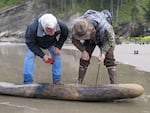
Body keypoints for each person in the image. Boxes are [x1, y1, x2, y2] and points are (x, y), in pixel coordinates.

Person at [72, 9, 117, 84]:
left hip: (105, 39)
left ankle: (114, 84)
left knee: (109, 59)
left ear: (91, 30)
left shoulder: (107, 28)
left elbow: (111, 41)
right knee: (84, 59)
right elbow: (74, 40)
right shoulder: (79, 26)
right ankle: (79, 82)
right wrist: (83, 50)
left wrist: (103, 53)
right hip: (90, 40)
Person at [23, 13, 69, 85]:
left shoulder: (61, 25)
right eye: (49, 30)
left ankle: (57, 80)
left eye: (54, 29)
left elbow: (65, 34)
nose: (52, 32)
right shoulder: (32, 28)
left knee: (57, 55)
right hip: (36, 43)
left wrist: (58, 46)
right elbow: (30, 43)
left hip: (51, 42)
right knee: (30, 56)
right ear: (44, 27)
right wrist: (43, 55)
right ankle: (27, 82)